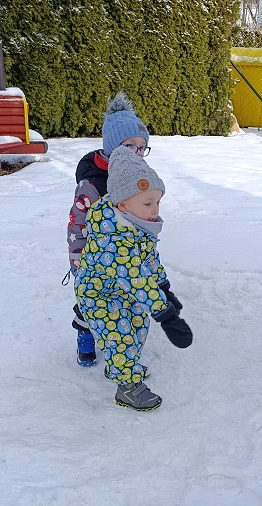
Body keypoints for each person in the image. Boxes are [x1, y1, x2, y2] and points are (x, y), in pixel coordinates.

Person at [74, 146, 192, 410]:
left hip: (124, 289)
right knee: (121, 335)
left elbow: (148, 259)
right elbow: (136, 277)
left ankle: (120, 365)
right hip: (99, 295)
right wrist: (166, 314)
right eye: (148, 203)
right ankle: (127, 387)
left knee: (139, 325)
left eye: (158, 202)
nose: (155, 209)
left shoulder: (137, 224)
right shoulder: (112, 239)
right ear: (123, 203)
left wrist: (164, 287)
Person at [68, 92, 152, 366]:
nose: (137, 153)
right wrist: (77, 259)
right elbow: (77, 223)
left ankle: (120, 340)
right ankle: (86, 335)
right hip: (93, 257)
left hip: (126, 255)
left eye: (142, 148)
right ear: (112, 145)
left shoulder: (139, 176)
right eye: (130, 146)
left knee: (123, 298)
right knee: (92, 298)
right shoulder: (92, 184)